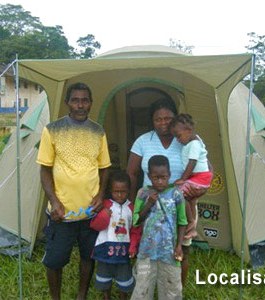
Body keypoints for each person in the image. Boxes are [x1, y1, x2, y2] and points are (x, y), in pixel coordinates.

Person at [36, 82, 111, 300]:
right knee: (54, 261)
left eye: (85, 100)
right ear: (67, 102)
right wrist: (54, 201)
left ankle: (81, 296)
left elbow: (104, 168)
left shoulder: (98, 131)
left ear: (90, 103)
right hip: (62, 212)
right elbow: (45, 170)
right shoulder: (52, 129)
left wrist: (100, 195)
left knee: (88, 257)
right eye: (75, 100)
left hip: (90, 211)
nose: (80, 105)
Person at [127, 97, 210, 287]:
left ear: (176, 119)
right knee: (148, 247)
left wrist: (199, 191)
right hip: (151, 203)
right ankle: (146, 288)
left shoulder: (187, 139)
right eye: (158, 119)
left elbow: (205, 167)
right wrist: (133, 203)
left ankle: (175, 290)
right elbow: (131, 173)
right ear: (152, 121)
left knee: (181, 250)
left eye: (168, 118)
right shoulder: (143, 141)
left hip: (182, 202)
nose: (163, 123)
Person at [131, 155, 187, 300]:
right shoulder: (143, 193)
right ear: (149, 176)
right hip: (147, 250)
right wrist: (149, 203)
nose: (160, 181)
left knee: (172, 288)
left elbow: (182, 222)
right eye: (156, 178)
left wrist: (179, 245)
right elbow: (136, 220)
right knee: (142, 288)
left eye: (164, 177)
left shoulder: (176, 194)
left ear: (169, 175)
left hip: (169, 251)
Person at [90, 171, 141, 300]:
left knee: (123, 277)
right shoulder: (105, 205)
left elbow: (135, 230)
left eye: (123, 191)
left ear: (128, 191)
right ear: (110, 191)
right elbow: (95, 226)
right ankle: (106, 297)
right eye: (116, 191)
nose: (119, 195)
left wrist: (133, 247)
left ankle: (122, 297)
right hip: (105, 249)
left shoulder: (131, 208)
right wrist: (103, 215)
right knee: (104, 276)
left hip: (123, 250)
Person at [170, 114, 213, 239]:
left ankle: (190, 222)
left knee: (179, 193)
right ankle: (192, 228)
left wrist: (183, 179)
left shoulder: (194, 144)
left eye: (178, 136)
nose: (178, 140)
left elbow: (192, 162)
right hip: (200, 178)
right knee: (191, 200)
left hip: (200, 178)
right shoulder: (196, 140)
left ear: (189, 131)